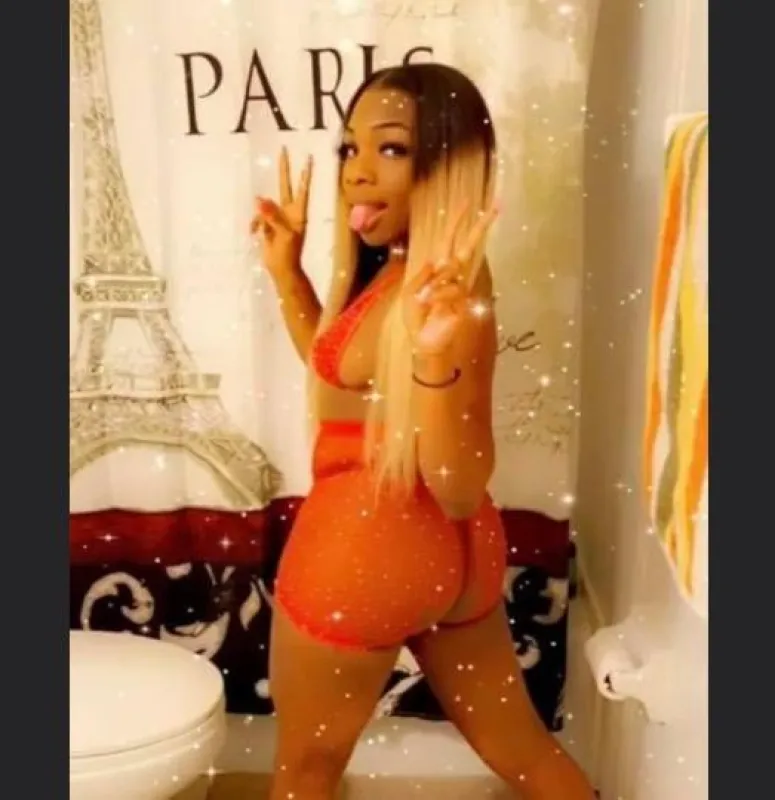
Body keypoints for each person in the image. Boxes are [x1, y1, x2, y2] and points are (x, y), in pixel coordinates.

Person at [250, 62, 595, 800]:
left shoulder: (440, 296)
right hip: (455, 560)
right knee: (526, 754)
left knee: (304, 772)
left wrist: (435, 363)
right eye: (350, 148)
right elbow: (342, 370)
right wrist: (287, 274)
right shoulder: (415, 277)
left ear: (448, 164)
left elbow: (459, 482)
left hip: (366, 545)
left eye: (392, 149)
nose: (357, 172)